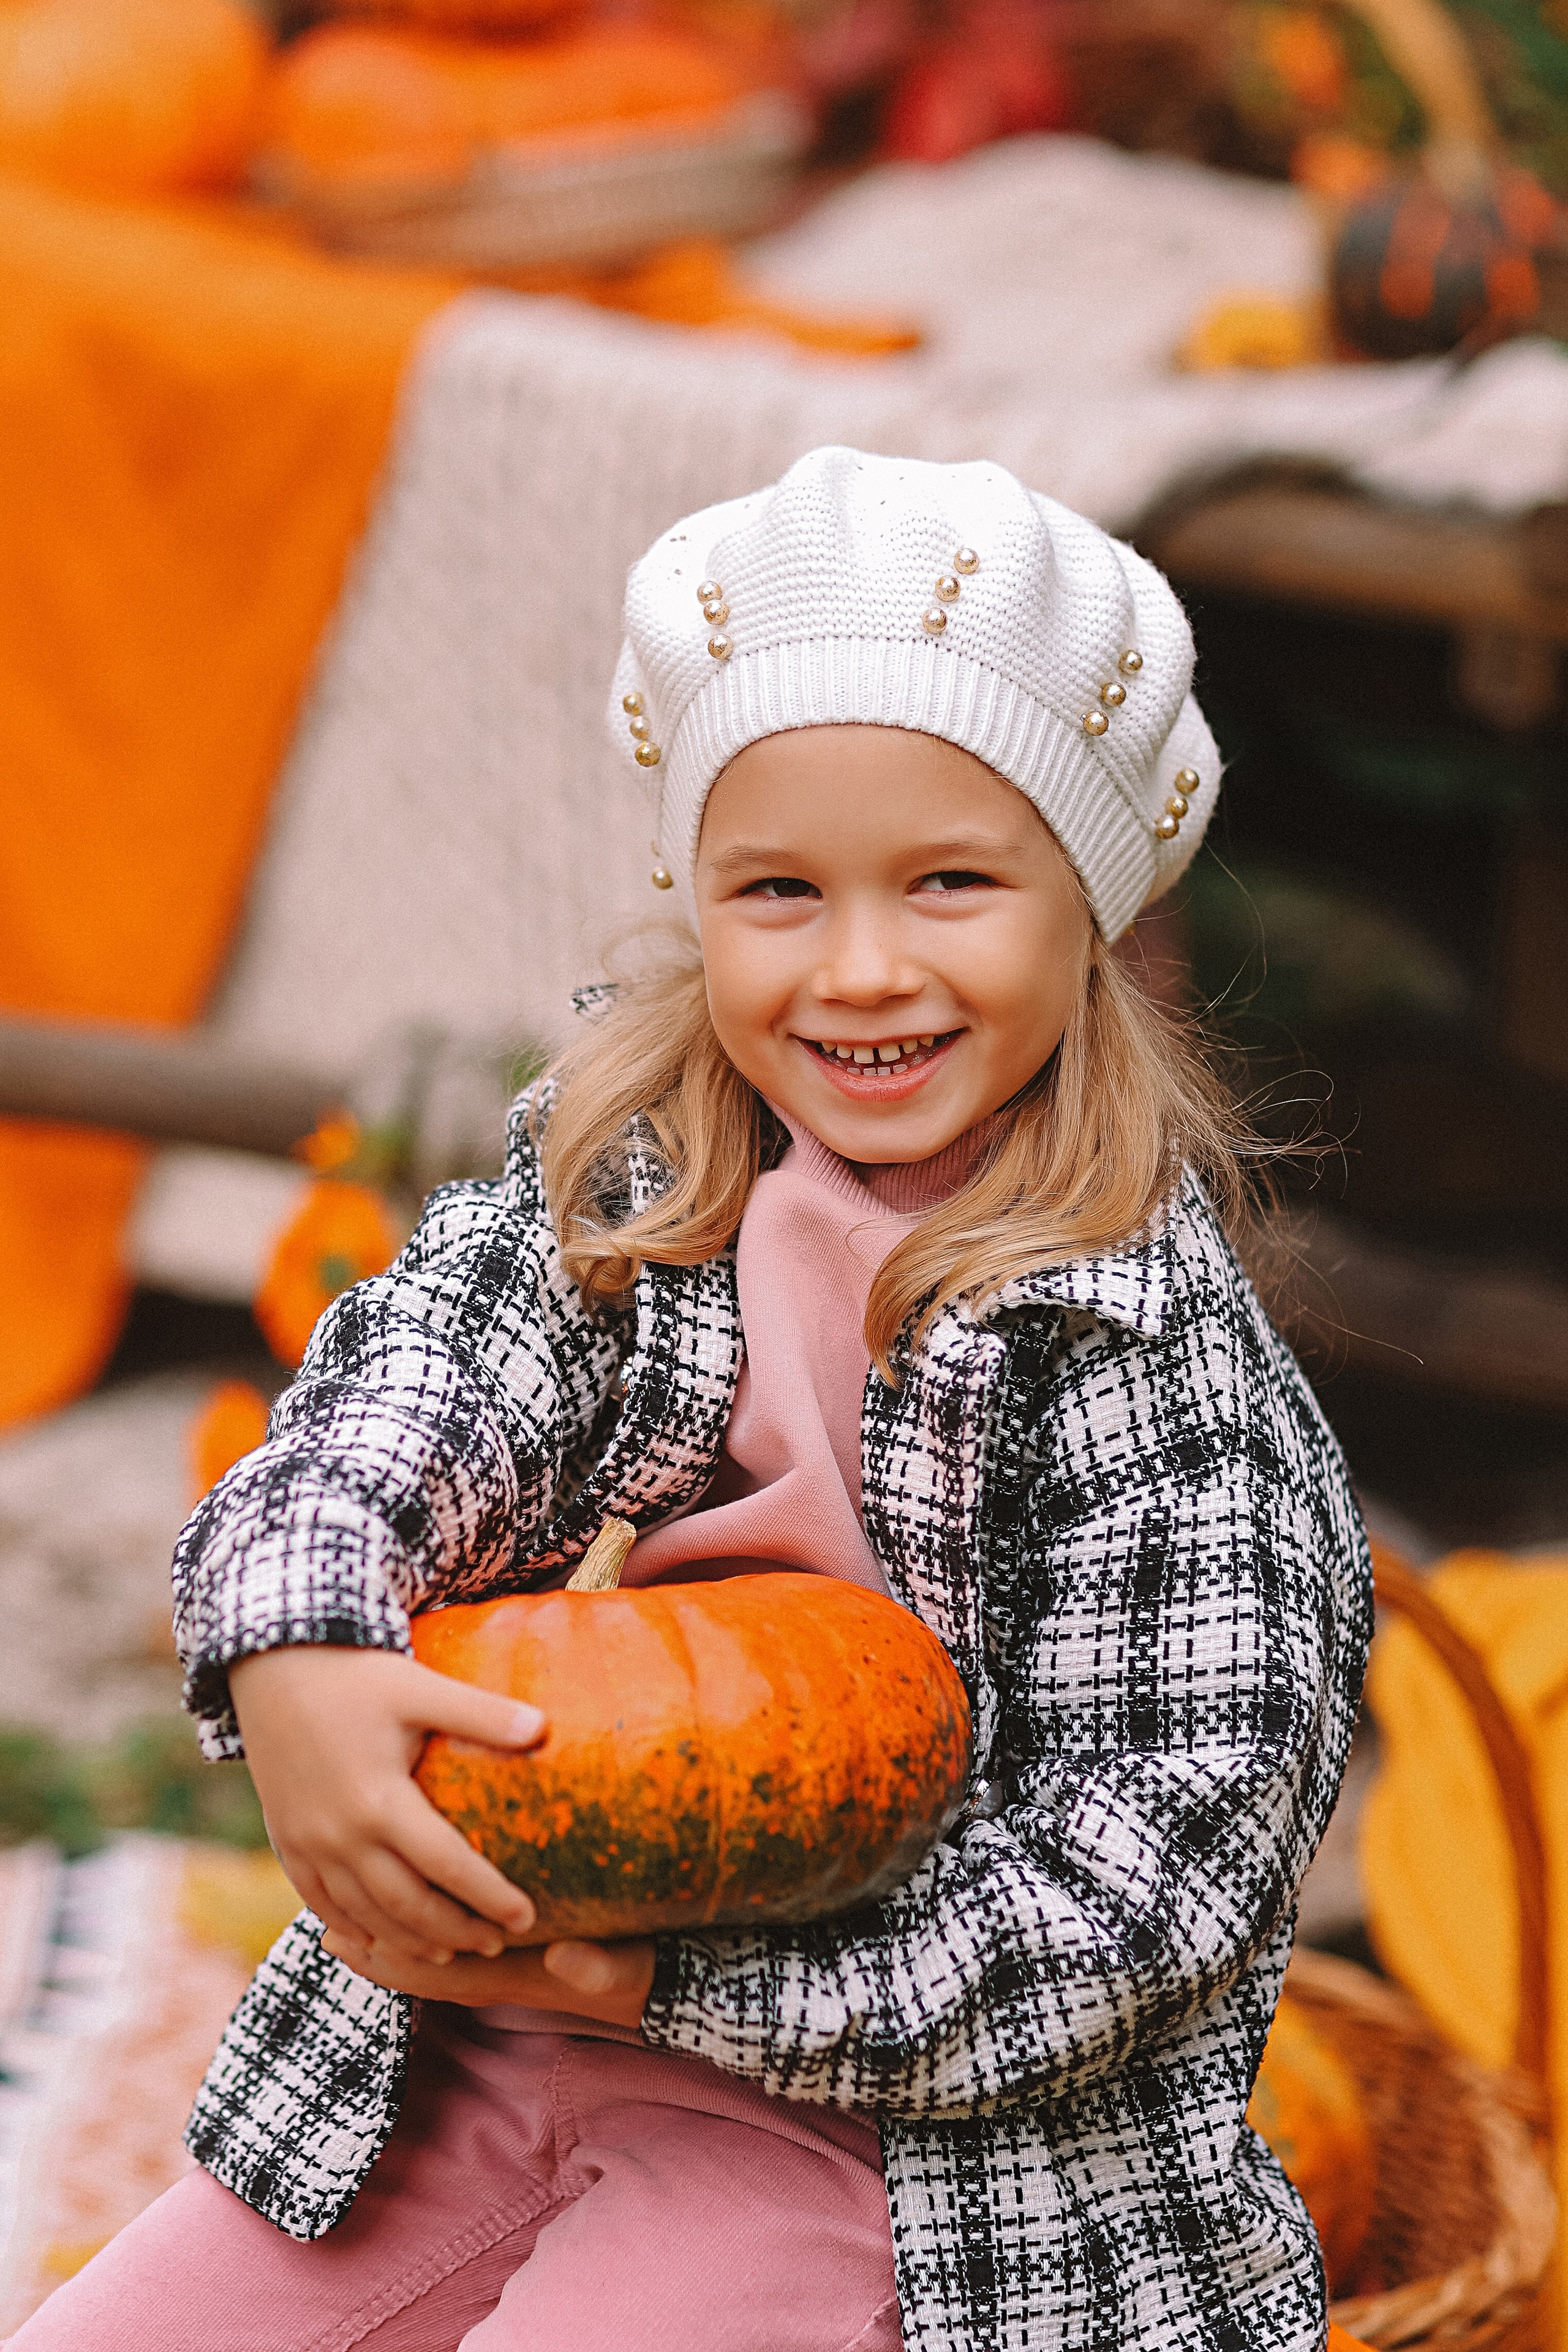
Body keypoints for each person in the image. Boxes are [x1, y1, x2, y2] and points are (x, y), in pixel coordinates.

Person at [12, 447, 1371, 2352]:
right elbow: (414, 1380)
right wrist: (295, 1645)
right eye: (783, 890)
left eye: (954, 884)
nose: (864, 967)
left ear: (1096, 904)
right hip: (469, 2033)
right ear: (698, 897)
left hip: (896, 2153)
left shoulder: (1154, 1372)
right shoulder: (642, 1169)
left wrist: (673, 1994)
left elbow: (1141, 1896)